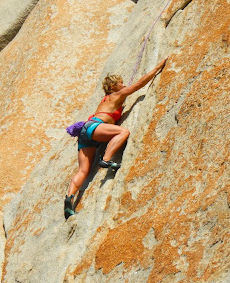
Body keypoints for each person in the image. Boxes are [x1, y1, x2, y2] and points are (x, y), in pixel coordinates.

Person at [64, 58, 168, 218]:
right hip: (95, 127)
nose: (124, 85)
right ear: (113, 87)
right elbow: (139, 85)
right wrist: (158, 67)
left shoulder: (105, 100)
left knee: (83, 170)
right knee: (123, 132)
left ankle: (69, 198)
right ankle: (105, 160)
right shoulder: (116, 95)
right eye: (121, 83)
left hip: (86, 131)